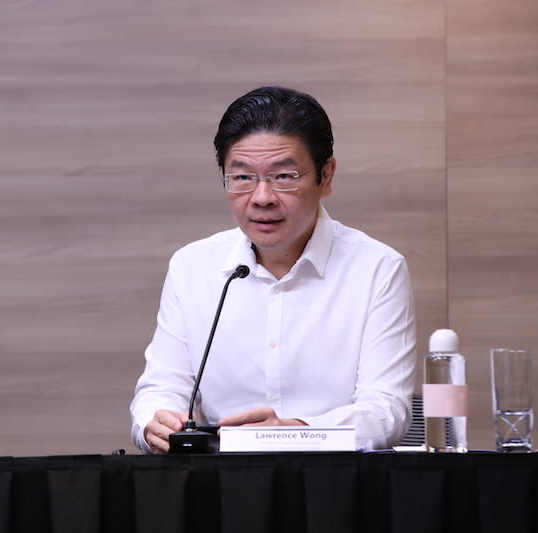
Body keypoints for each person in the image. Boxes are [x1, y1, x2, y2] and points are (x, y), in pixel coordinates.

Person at [130, 86, 416, 453]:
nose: (262, 197)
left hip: (337, 487)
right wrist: (155, 422)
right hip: (224, 489)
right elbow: (160, 389)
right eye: (243, 177)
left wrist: (294, 432)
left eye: (284, 177)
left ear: (325, 177)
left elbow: (386, 411)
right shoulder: (193, 267)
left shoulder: (377, 269)